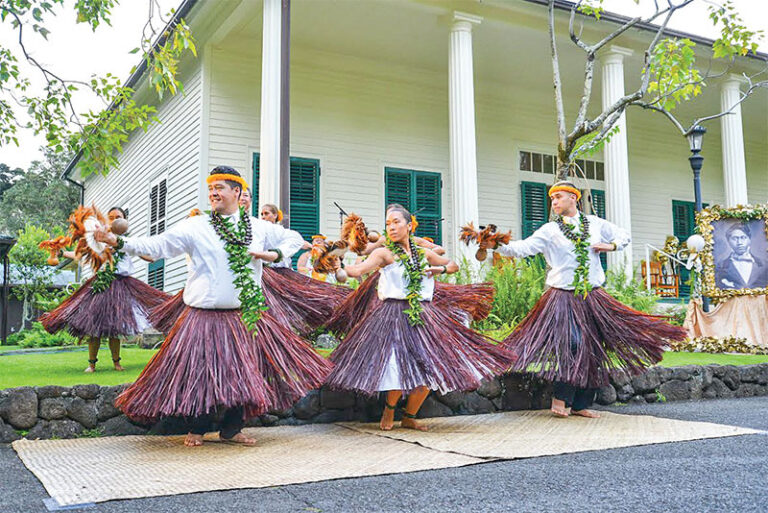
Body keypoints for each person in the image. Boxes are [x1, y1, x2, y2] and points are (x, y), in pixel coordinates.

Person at [96, 166, 331, 447]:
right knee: (202, 374)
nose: (213, 193)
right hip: (203, 316)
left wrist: (273, 254)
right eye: (211, 189)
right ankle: (198, 428)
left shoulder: (257, 227)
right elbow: (158, 245)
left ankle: (233, 428)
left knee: (244, 372)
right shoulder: (196, 227)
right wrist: (116, 241)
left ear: (237, 192)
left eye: (219, 187)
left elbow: (292, 238)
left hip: (244, 316)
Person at [489, 181, 686, 418]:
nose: (554, 202)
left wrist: (610, 245)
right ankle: (560, 399)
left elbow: (624, 236)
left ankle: (582, 404)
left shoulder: (595, 224)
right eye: (552, 199)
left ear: (574, 198)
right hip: (562, 297)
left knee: (593, 348)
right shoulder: (550, 230)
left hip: (592, 295)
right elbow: (522, 248)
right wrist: (497, 244)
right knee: (573, 344)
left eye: (559, 197)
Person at [325, 204, 515, 431]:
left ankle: (409, 416)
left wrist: (439, 271)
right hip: (393, 314)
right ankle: (389, 409)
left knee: (431, 368)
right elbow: (357, 271)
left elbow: (452, 265)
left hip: (425, 315)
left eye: (396, 222)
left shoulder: (423, 253)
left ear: (408, 225)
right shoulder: (383, 253)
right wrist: (339, 267)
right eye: (388, 224)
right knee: (396, 367)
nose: (392, 227)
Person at [40, 207, 169, 373]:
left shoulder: (128, 242)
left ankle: (117, 362)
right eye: (111, 217)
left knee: (115, 329)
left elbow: (149, 257)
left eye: (118, 217)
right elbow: (81, 255)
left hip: (122, 286)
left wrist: (139, 249)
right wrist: (62, 252)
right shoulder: (97, 240)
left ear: (124, 220)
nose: (114, 219)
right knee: (94, 328)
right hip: (100, 286)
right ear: (107, 220)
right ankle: (92, 364)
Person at [715, 222, 768, 289]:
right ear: (728, 241)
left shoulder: (764, 264)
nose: (739, 242)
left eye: (743, 237)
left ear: (749, 239)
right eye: (735, 238)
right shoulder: (720, 267)